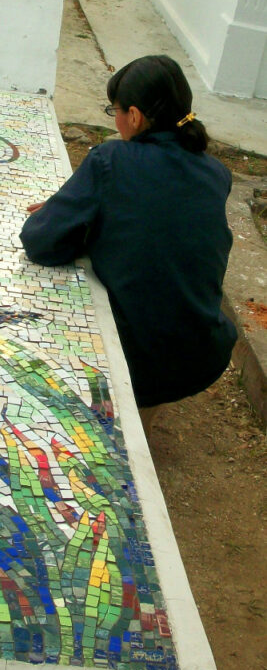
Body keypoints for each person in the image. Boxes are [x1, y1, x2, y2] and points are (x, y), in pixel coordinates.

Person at [20, 54, 237, 433]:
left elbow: (39, 242)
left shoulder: (111, 159)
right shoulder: (216, 172)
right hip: (200, 352)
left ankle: (110, 427)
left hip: (138, 358)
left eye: (114, 111)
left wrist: (72, 217)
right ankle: (142, 422)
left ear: (134, 116)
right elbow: (156, 221)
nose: (115, 119)